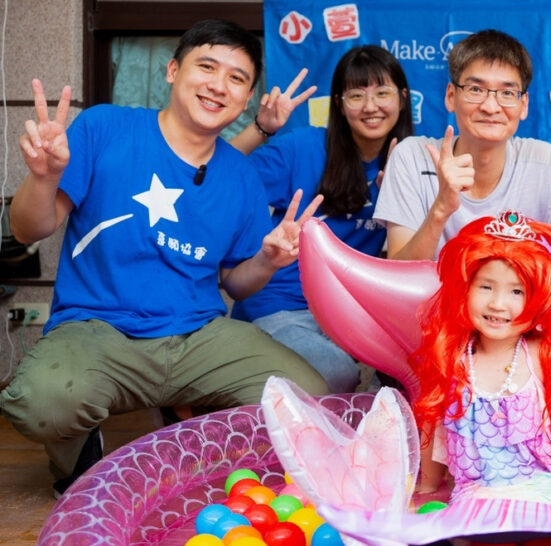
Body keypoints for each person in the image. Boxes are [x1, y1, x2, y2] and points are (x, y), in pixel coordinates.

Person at [1, 19, 328, 497]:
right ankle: (78, 458)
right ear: (173, 70)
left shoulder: (241, 176)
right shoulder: (105, 127)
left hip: (198, 336)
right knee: (42, 402)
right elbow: (30, 228)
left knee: (308, 398)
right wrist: (44, 177)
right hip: (99, 329)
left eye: (237, 78)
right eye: (207, 66)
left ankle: (195, 437)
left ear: (247, 97)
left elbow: (235, 284)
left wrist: (269, 260)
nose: (219, 85)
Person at [228, 45, 414, 393]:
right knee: (338, 374)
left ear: (402, 99)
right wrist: (261, 128)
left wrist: (400, 195)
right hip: (278, 304)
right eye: (357, 95)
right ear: (340, 105)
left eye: (383, 93)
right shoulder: (303, 148)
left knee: (405, 374)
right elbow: (218, 173)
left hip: (348, 313)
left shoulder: (412, 161)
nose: (371, 106)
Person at [410, 211, 551, 508]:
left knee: (541, 536)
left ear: (540, 299)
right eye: (485, 286)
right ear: (464, 289)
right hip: (474, 498)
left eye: (517, 291)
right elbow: (434, 428)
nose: (497, 303)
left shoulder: (540, 355)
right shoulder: (454, 359)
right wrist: (427, 492)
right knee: (463, 542)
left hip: (539, 492)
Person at [373, 29, 551, 260]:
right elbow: (399, 273)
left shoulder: (546, 162)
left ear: (524, 104)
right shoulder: (412, 157)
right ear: (451, 96)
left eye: (507, 92)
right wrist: (441, 209)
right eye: (475, 89)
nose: (490, 106)